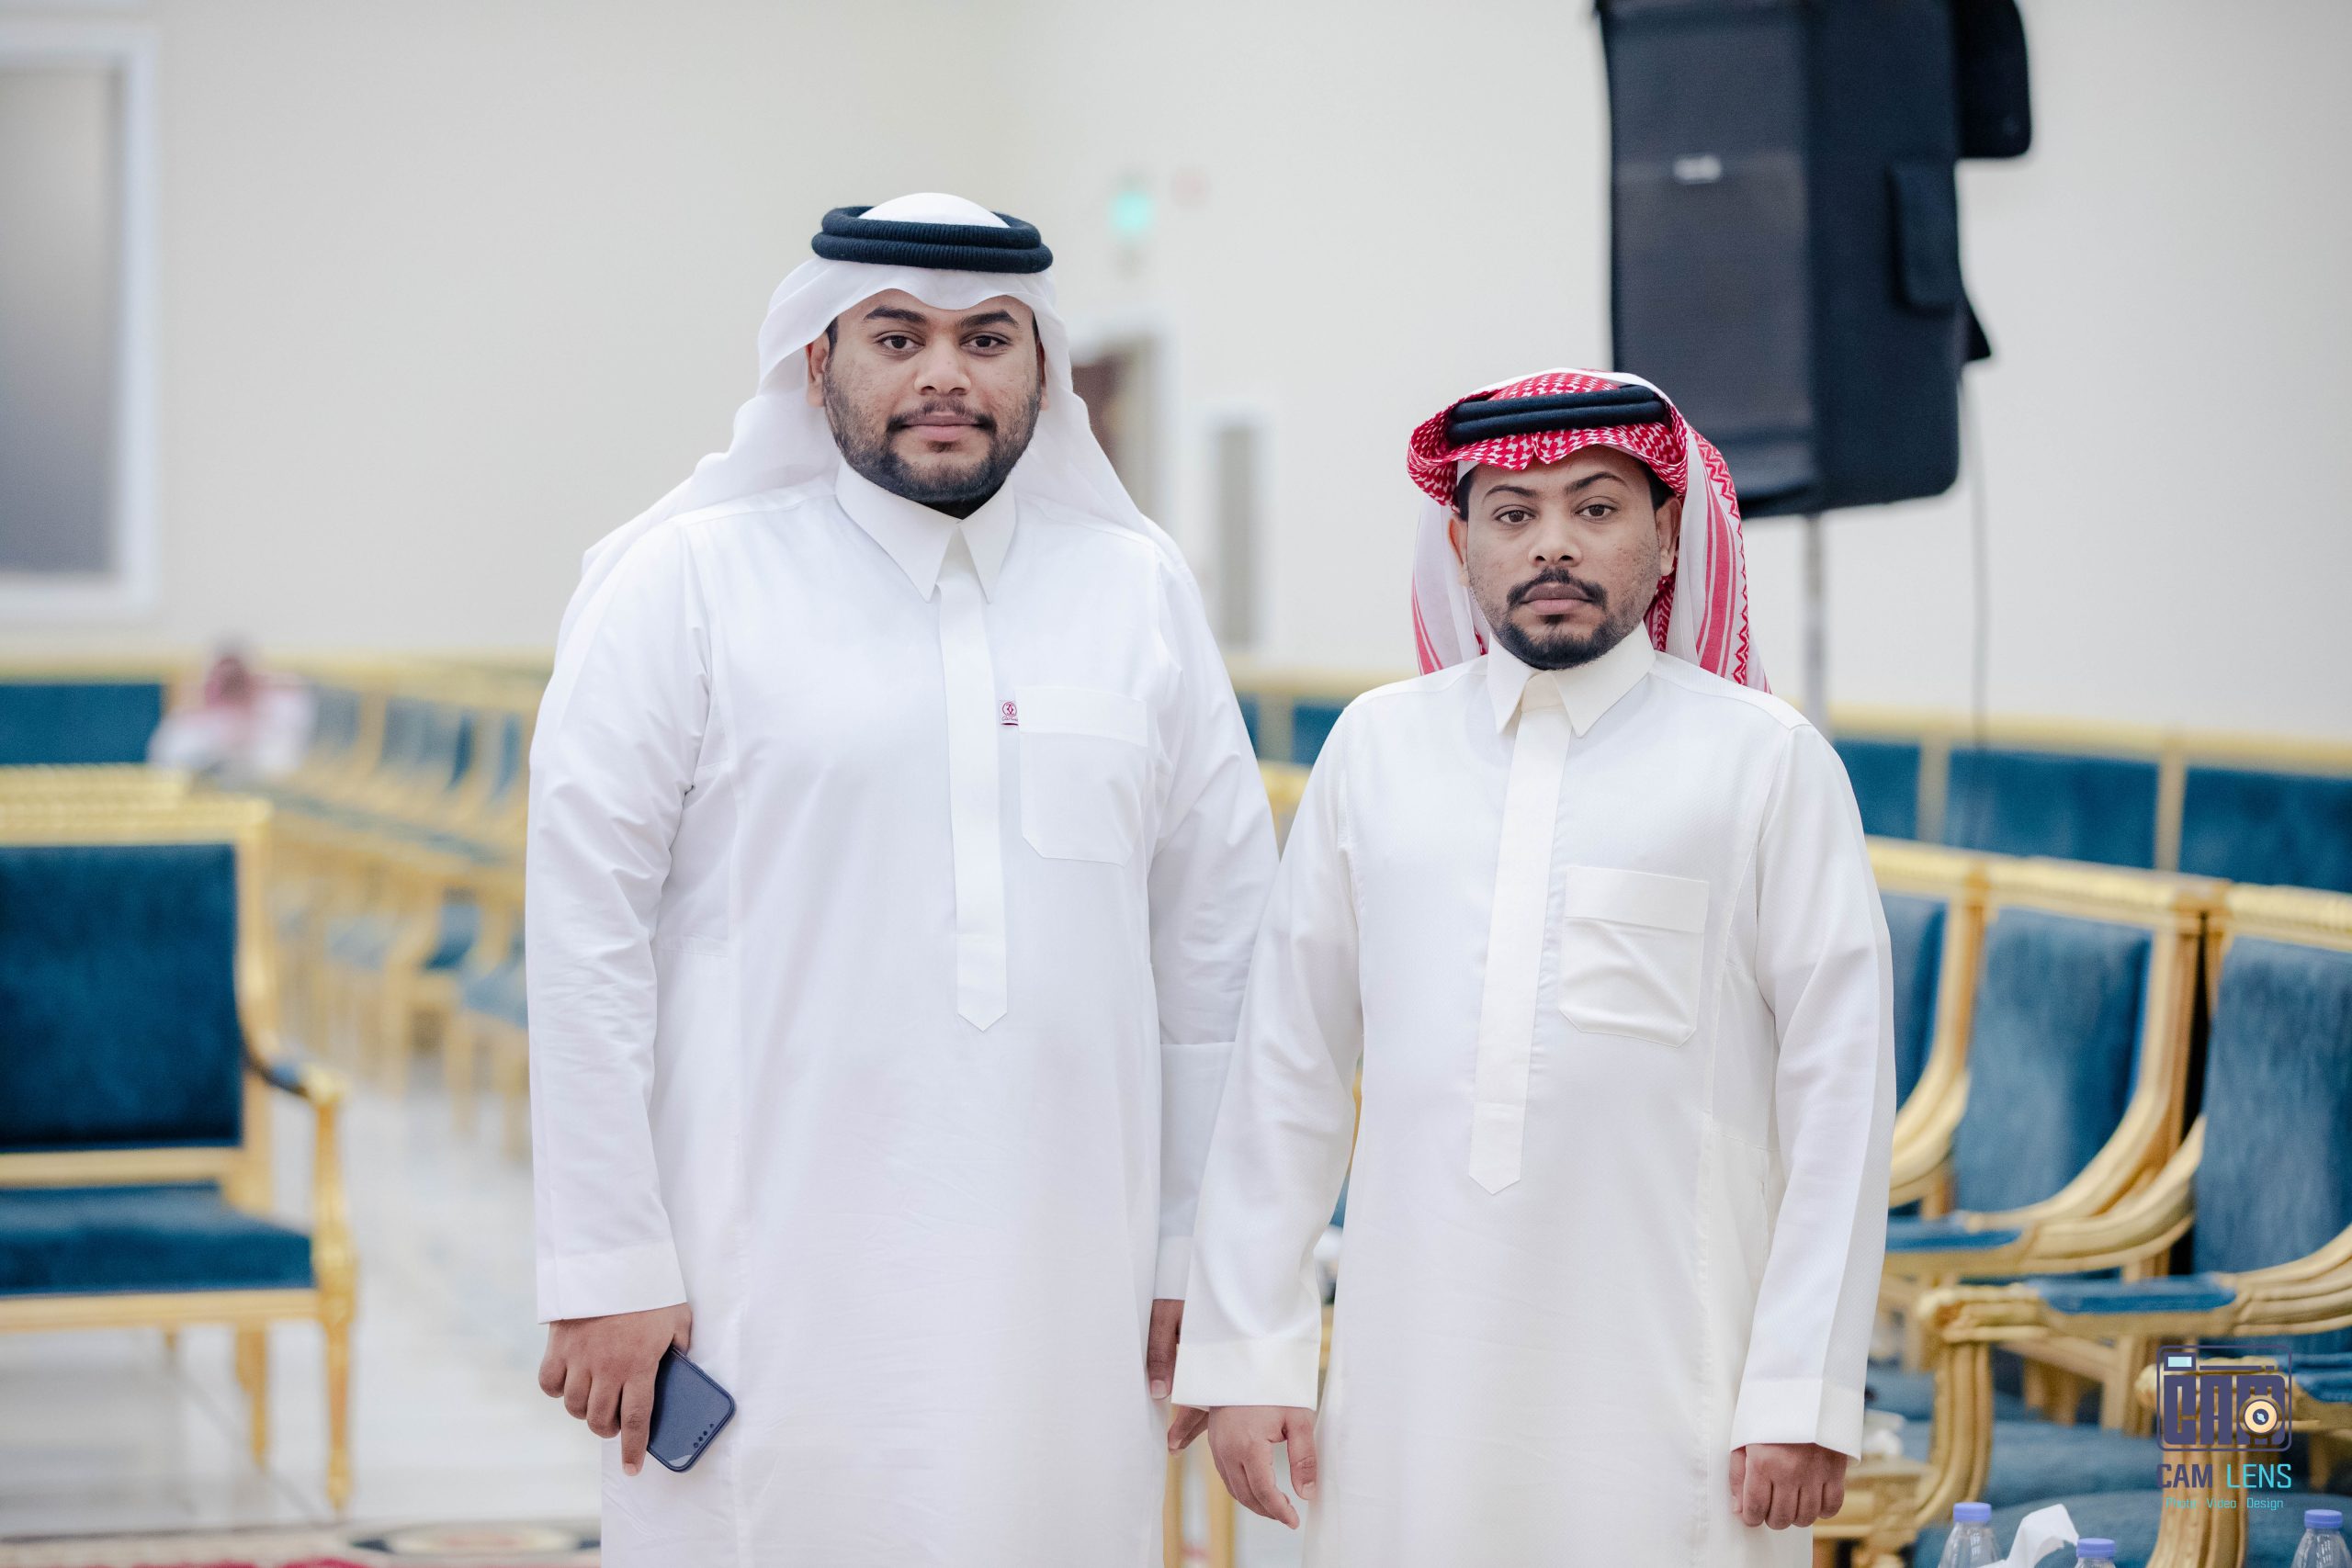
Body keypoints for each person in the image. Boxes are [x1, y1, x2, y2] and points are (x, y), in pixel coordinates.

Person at [526, 193, 1275, 1566]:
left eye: (986, 337)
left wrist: (1197, 1256)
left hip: (1072, 1267)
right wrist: (605, 1260)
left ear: (1040, 366)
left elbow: (1217, 961)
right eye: (896, 336)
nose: (944, 372)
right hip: (759, 1259)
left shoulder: (1136, 590)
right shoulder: (684, 581)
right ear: (818, 361)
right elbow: (584, 940)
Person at [1171, 370, 1894, 1565]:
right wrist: (1251, 1354)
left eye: (1595, 507)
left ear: (1669, 535)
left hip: (1677, 1384)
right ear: (1461, 545)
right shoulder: (1377, 751)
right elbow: (1285, 1073)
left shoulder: (1765, 762)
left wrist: (1801, 1387)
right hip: (1410, 1391)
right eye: (1512, 513)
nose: (1552, 543)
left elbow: (1841, 1096)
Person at [147, 643, 311, 783]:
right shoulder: (188, 724)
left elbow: (287, 765)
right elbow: (166, 764)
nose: (232, 688)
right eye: (223, 681)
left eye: (238, 680)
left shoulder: (276, 718)